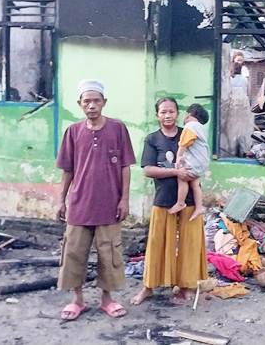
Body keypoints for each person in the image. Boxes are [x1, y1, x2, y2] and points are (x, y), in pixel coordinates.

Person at [56, 79, 135, 321]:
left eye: (96, 101)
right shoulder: (73, 132)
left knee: (109, 253)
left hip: (110, 204)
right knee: (73, 252)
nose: (91, 105)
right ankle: (77, 300)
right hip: (80, 204)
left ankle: (107, 300)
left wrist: (124, 199)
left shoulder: (118, 129)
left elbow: (125, 167)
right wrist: (61, 200)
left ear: (104, 103)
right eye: (86, 101)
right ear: (80, 104)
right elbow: (67, 169)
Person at [130, 98, 208, 306]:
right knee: (156, 244)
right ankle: (148, 287)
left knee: (189, 245)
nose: (167, 115)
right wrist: (175, 171)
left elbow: (200, 158)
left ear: (177, 113)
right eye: (163, 112)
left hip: (189, 200)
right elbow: (147, 170)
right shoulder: (152, 139)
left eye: (171, 111)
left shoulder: (188, 133)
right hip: (164, 199)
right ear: (157, 115)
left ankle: (185, 287)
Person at [167, 104, 209, 221]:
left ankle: (180, 202)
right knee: (195, 183)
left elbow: (184, 143)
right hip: (202, 163)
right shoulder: (201, 128)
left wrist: (179, 157)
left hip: (194, 162)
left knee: (182, 177)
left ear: (189, 114)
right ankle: (199, 207)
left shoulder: (190, 126)